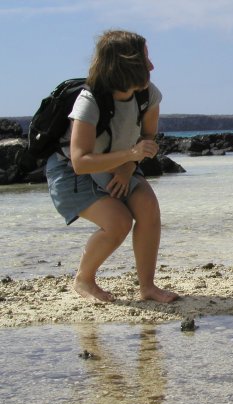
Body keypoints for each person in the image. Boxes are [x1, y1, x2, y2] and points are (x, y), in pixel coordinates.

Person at [45, 29, 179, 304]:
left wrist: (129, 166)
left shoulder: (148, 95)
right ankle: (84, 279)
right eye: (145, 60)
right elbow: (80, 161)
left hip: (122, 164)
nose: (152, 66)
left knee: (148, 209)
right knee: (118, 222)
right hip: (71, 171)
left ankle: (148, 287)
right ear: (125, 66)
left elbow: (148, 136)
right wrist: (130, 153)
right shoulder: (90, 102)